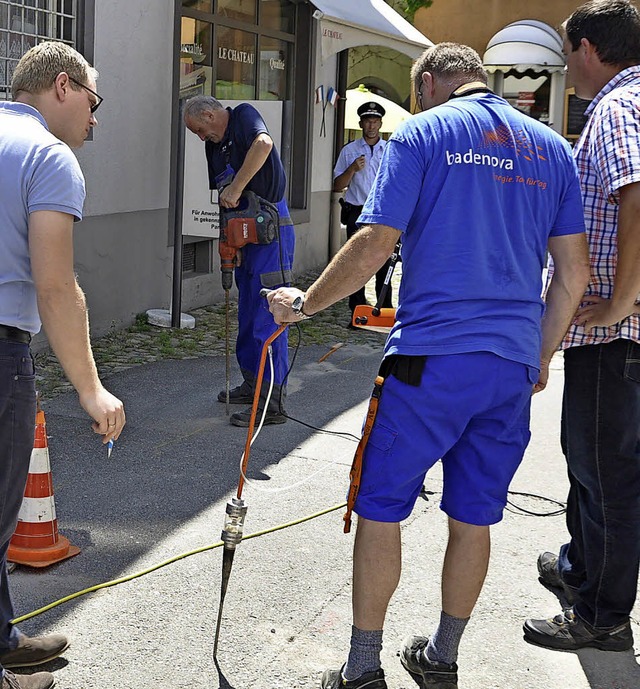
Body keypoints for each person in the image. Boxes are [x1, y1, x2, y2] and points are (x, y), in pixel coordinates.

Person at [267, 43, 590, 689]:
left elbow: (374, 241)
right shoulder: (551, 148)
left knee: (382, 508)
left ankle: (362, 669)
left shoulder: (425, 132)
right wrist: (541, 356)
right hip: (507, 367)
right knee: (474, 516)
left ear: (430, 83)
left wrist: (305, 303)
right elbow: (573, 275)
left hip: (429, 360)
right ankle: (442, 657)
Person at [0, 41, 126, 689]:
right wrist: (92, 388)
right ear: (61, 86)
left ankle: (3, 639)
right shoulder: (48, 156)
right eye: (93, 101)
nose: (95, 119)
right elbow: (56, 284)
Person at [523, 0, 640, 653]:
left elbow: (637, 196)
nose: (568, 68)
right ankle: (580, 569)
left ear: (589, 48)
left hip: (614, 334)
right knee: (592, 463)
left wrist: (621, 303)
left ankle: (602, 614)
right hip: (612, 332)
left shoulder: (620, 109)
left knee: (607, 471)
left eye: (569, 54)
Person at [184, 95, 295, 427]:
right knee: (248, 312)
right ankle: (252, 383)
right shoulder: (212, 149)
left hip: (270, 230)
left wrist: (237, 186)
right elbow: (223, 199)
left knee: (270, 312)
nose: (202, 138)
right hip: (242, 235)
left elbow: (263, 145)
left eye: (201, 130)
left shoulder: (244, 117)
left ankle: (272, 403)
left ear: (210, 113)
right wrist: (227, 245)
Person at [333, 101, 393, 322]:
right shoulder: (350, 151)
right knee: (356, 263)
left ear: (380, 124)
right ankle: (357, 312)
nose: (371, 125)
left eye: (375, 121)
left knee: (385, 262)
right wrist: (352, 169)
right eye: (367, 121)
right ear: (361, 123)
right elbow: (337, 185)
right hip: (357, 212)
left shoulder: (389, 150)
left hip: (382, 213)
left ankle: (384, 312)